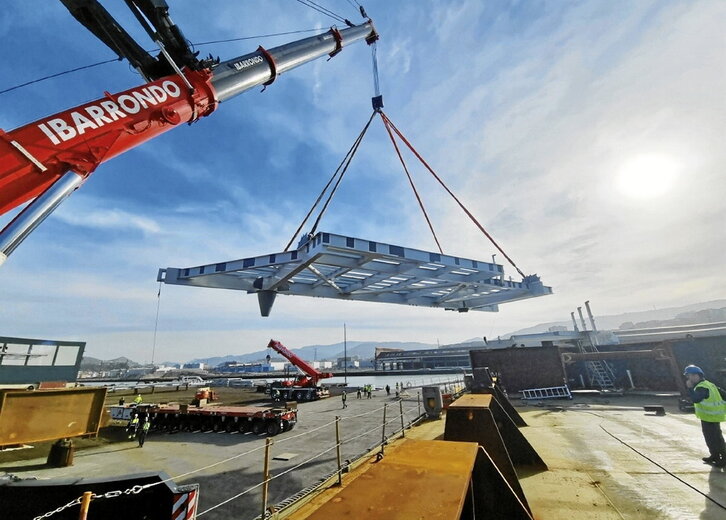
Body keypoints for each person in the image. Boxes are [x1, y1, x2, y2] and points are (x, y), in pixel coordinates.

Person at [684, 365, 726, 466]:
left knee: (716, 439)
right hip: (709, 417)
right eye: (688, 376)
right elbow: (724, 394)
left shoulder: (702, 387)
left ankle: (724, 459)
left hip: (711, 417)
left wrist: (690, 388)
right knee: (711, 438)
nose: (690, 379)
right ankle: (715, 455)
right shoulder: (709, 384)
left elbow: (696, 399)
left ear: (698, 375)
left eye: (691, 376)